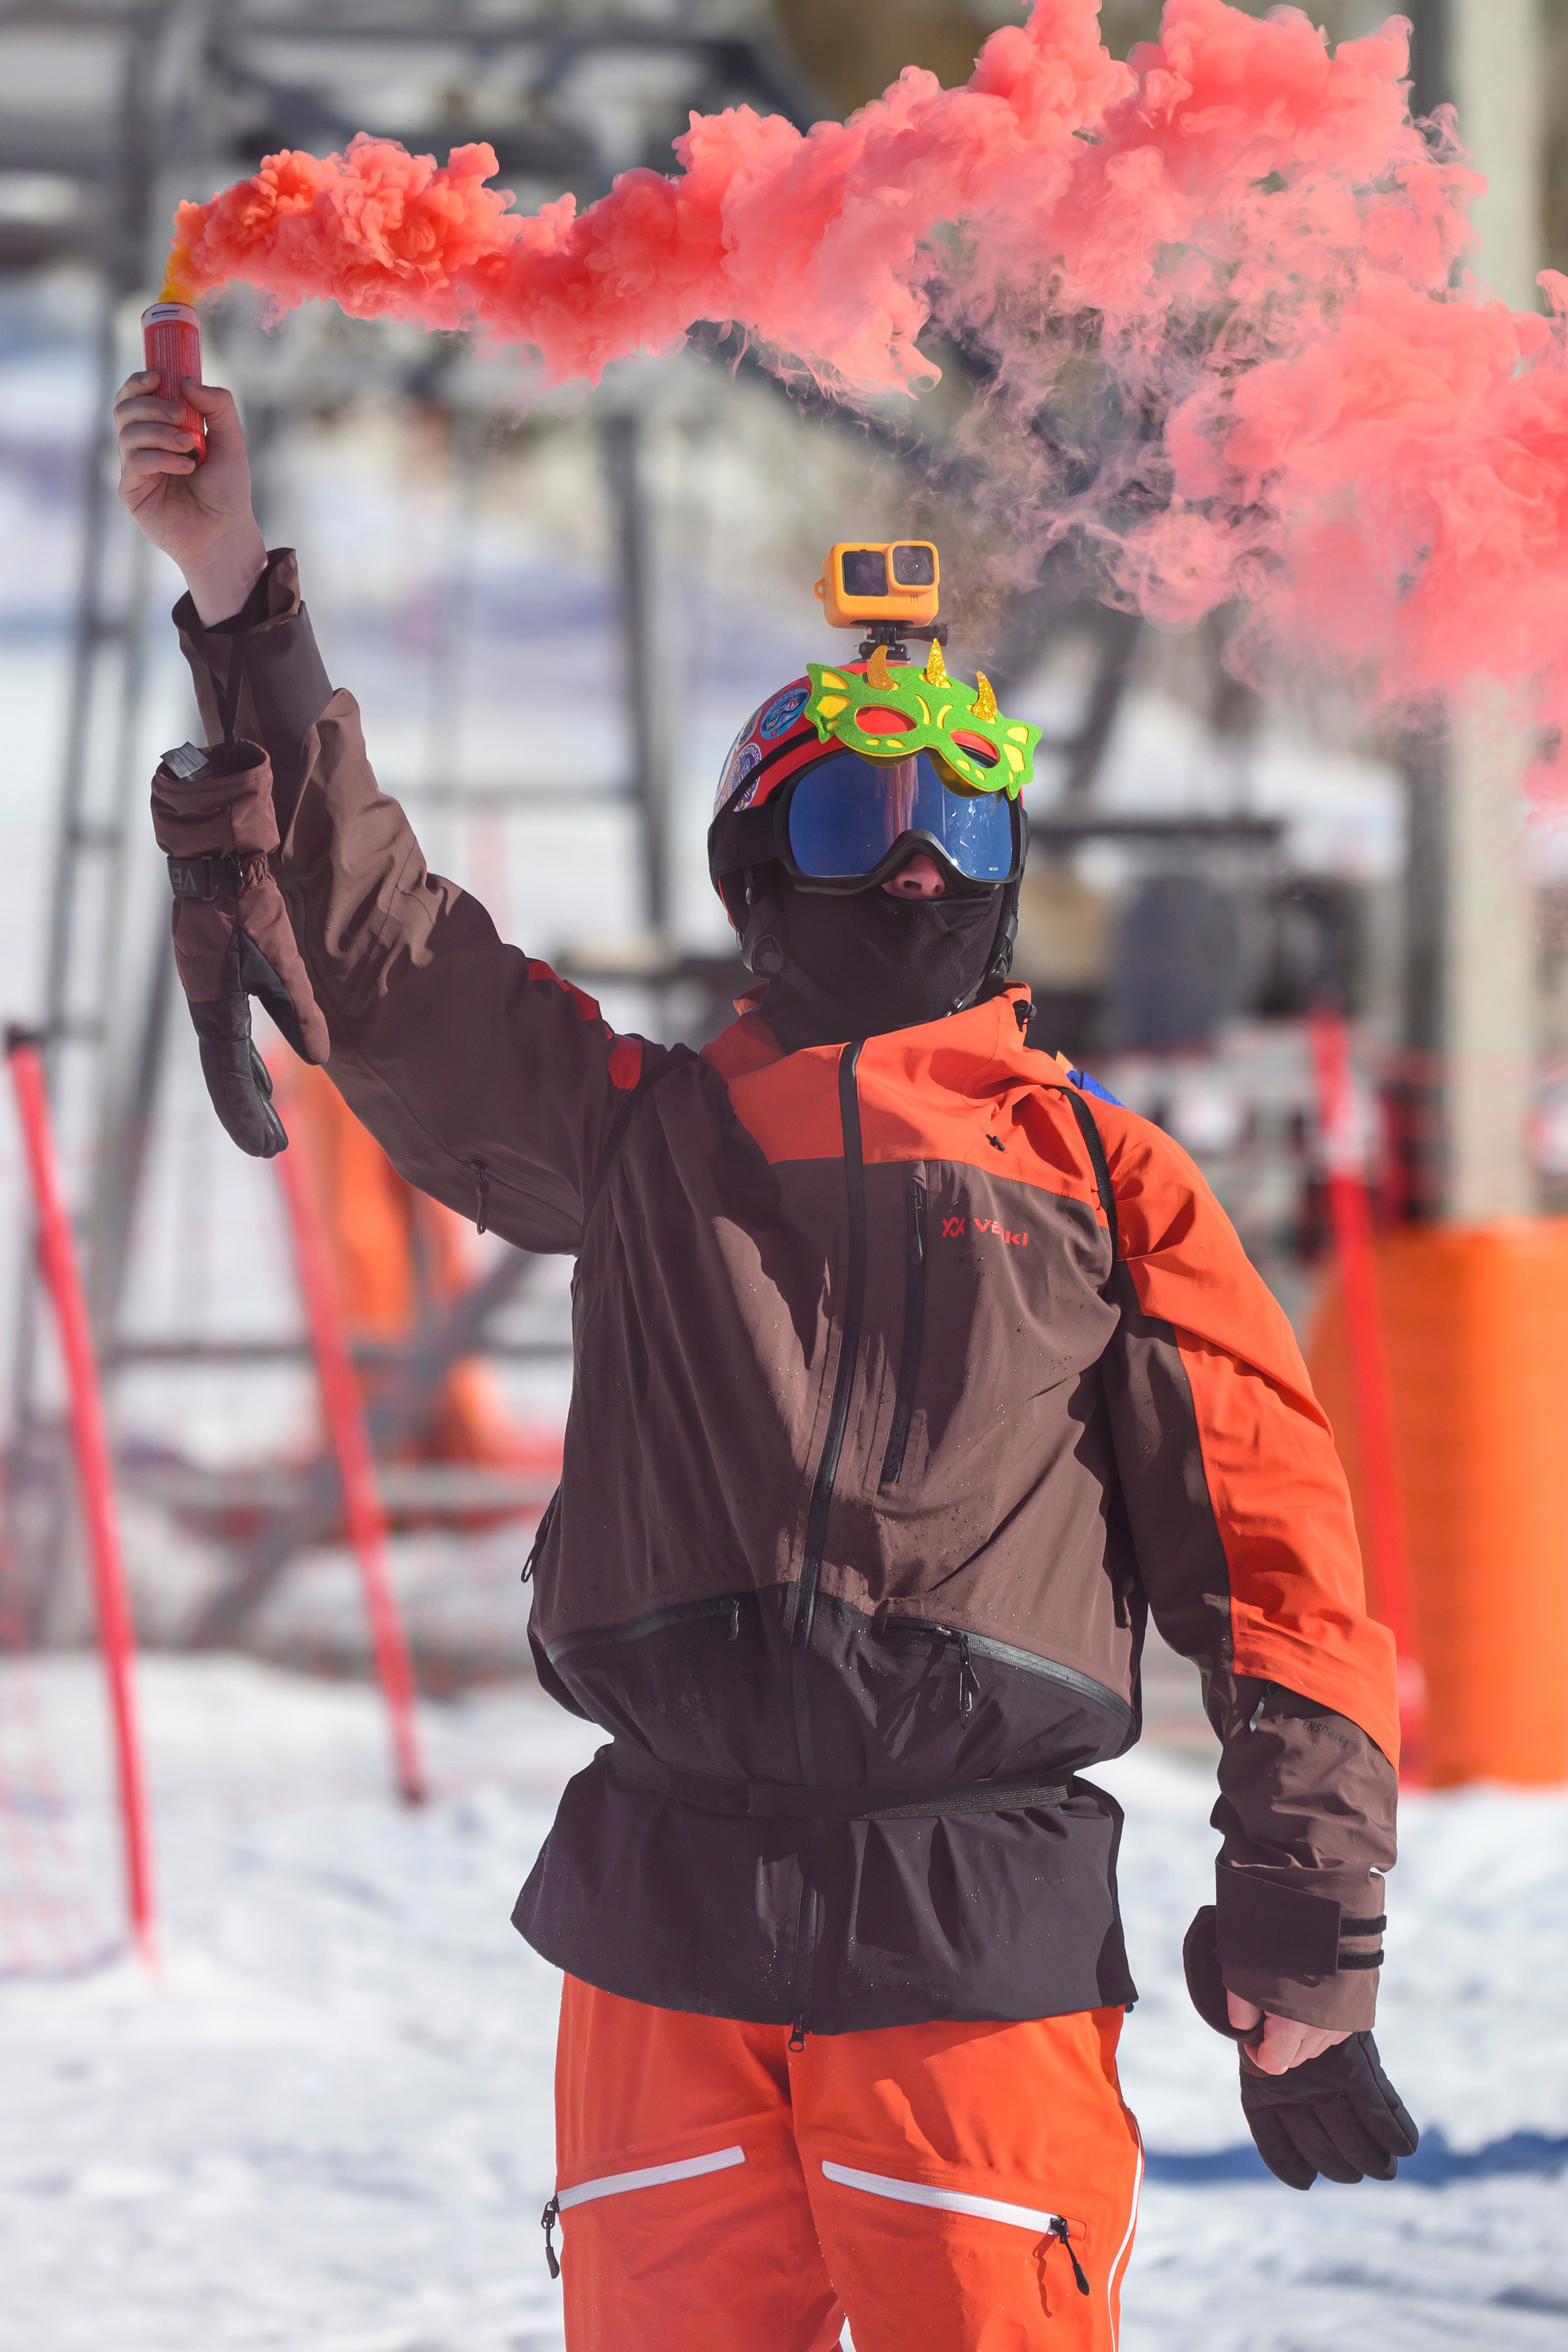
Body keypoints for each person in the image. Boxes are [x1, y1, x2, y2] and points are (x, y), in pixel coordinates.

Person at [116, 366, 1416, 2352]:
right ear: (751, 867)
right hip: (665, 1937)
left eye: (955, 811)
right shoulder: (645, 1136)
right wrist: (234, 595)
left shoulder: (1101, 1173)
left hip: (970, 1948)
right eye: (849, 811)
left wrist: (1309, 1926)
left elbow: (1284, 1576)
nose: (909, 859)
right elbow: (391, 962)